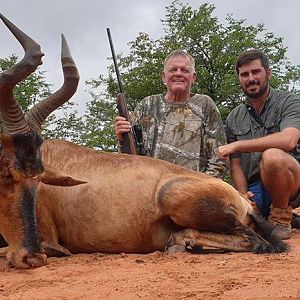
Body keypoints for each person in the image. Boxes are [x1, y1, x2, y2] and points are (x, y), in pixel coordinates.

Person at [218, 49, 300, 239]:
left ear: (268, 73)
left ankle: (280, 218)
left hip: (292, 182)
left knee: (272, 156)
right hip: (257, 186)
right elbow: (236, 165)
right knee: (234, 215)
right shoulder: (233, 117)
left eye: (256, 72)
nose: (250, 78)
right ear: (239, 78)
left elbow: (288, 140)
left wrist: (237, 145)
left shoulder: (289, 102)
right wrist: (243, 197)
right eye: (244, 74)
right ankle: (269, 213)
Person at [115, 50, 227, 178]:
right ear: (163, 76)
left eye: (184, 70)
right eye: (173, 70)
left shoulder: (205, 104)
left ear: (194, 77)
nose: (178, 74)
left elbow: (219, 158)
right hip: (149, 188)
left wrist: (204, 189)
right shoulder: (146, 104)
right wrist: (121, 138)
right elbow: (129, 158)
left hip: (193, 189)